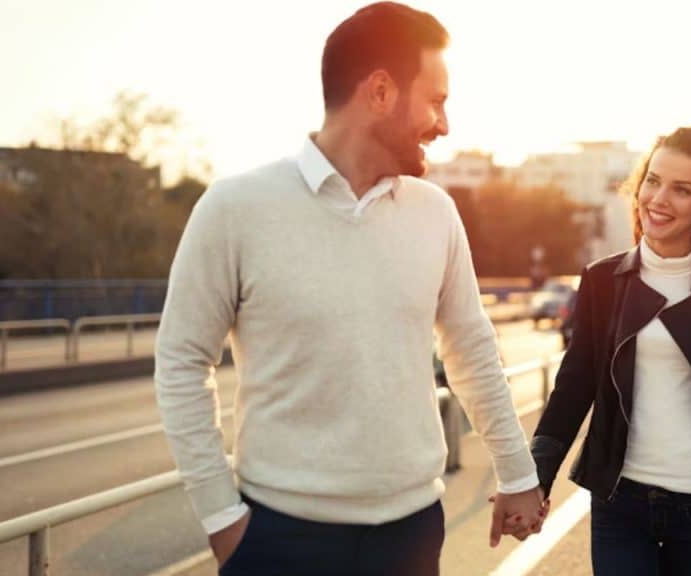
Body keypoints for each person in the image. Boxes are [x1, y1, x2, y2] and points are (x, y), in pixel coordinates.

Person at [154, 4, 544, 574]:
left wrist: (517, 472)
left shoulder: (436, 213)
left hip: (410, 537)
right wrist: (222, 521)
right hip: (279, 539)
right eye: (435, 100)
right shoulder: (235, 208)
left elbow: (470, 347)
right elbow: (182, 360)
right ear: (381, 92)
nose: (444, 123)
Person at [530, 127, 691, 576]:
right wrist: (533, 479)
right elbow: (573, 389)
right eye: (652, 181)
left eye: (682, 189)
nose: (659, 198)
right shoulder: (602, 281)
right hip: (620, 504)